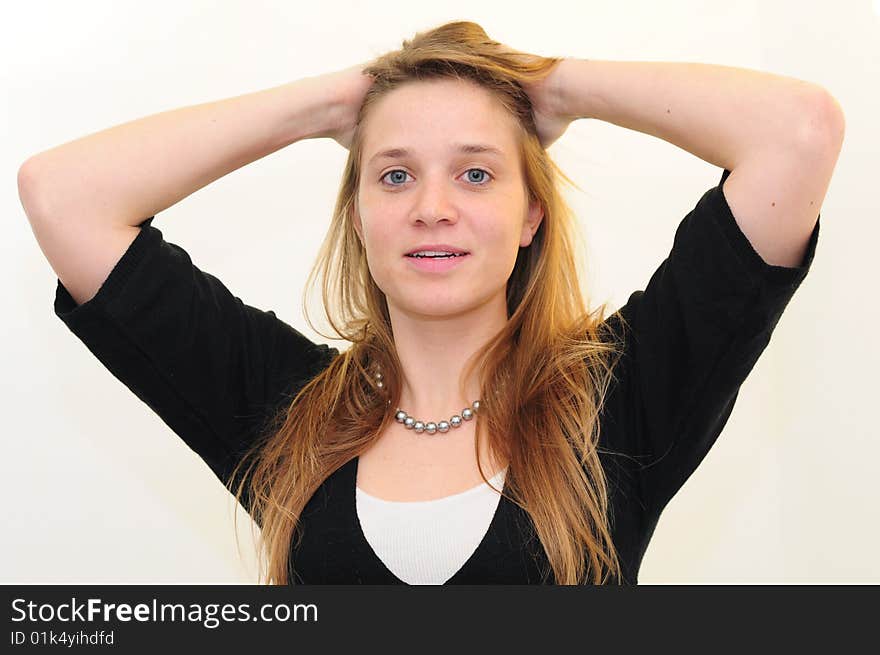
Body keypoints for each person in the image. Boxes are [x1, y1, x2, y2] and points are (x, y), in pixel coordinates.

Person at [18, 20, 839, 585]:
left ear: (530, 216)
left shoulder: (620, 404)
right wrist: (331, 106)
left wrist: (550, 86)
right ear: (360, 216)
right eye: (395, 173)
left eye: (476, 172)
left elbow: (798, 132)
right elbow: (63, 197)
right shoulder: (286, 411)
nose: (432, 207)